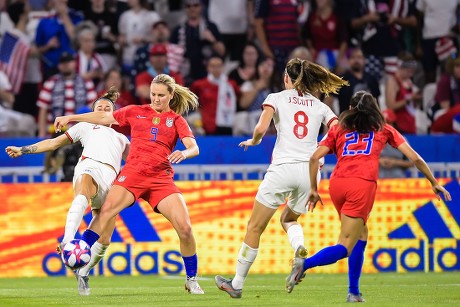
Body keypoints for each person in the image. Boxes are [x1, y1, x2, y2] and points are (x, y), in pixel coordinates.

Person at [285, 90, 452, 302]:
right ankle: (304, 264)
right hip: (361, 185)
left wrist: (313, 190)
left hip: (337, 185)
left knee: (361, 234)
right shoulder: (384, 129)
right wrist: (434, 182)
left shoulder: (338, 128)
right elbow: (415, 158)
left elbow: (314, 157)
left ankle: (353, 292)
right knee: (345, 246)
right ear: (374, 109)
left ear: (351, 109)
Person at [54, 74, 205, 294]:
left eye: (161, 95)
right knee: (104, 213)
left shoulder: (177, 121)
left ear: (171, 96)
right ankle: (78, 256)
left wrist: (184, 152)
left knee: (185, 228)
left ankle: (191, 279)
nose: (155, 99)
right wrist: (71, 117)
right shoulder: (135, 111)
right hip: (132, 176)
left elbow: (194, 147)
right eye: (153, 94)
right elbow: (103, 118)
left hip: (161, 179)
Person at [214, 58, 349, 298]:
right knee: (288, 218)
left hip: (283, 168)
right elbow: (337, 129)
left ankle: (236, 284)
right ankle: (298, 248)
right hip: (310, 172)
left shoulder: (275, 98)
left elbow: (260, 129)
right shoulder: (319, 106)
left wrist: (253, 141)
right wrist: (322, 150)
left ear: (287, 77)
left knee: (255, 226)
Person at [5, 88, 130, 296]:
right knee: (83, 186)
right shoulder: (85, 127)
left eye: (107, 108)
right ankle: (68, 240)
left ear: (114, 114)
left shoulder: (122, 139)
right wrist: (23, 149)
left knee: (106, 238)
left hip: (111, 180)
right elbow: (53, 143)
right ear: (92, 113)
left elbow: (137, 163)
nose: (103, 110)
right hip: (89, 166)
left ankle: (84, 271)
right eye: (99, 107)